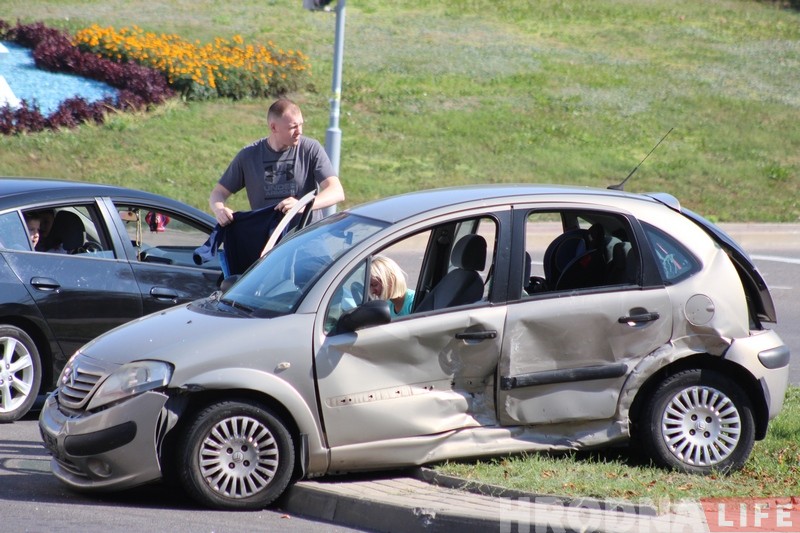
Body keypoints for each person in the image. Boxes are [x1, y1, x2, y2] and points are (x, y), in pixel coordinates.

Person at [209, 98, 345, 228]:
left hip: (306, 238)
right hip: (268, 240)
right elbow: (218, 193)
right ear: (273, 127)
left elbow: (336, 191)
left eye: (301, 124)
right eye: (293, 127)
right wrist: (220, 210)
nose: (299, 131)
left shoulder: (310, 149)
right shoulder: (249, 155)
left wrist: (301, 206)